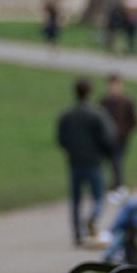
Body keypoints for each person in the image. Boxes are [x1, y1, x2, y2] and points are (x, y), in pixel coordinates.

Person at [57, 76, 115, 246]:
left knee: (76, 199)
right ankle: (92, 217)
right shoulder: (97, 114)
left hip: (74, 162)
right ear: (90, 92)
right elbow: (108, 137)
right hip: (93, 162)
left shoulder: (67, 115)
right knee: (98, 196)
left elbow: (61, 138)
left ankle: (77, 234)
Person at [101, 73, 136, 193]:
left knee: (117, 161)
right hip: (107, 138)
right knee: (110, 162)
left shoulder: (127, 102)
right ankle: (115, 183)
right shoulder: (104, 101)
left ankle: (118, 185)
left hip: (121, 138)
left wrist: (125, 132)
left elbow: (132, 120)